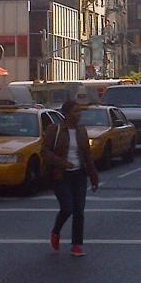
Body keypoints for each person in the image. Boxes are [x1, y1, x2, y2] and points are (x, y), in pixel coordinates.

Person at [42, 100, 99, 257]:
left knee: (79, 210)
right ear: (67, 114)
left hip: (79, 174)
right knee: (67, 208)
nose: (79, 114)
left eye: (80, 111)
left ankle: (76, 245)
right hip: (61, 175)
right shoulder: (55, 129)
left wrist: (94, 177)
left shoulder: (81, 131)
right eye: (75, 111)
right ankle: (56, 231)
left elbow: (87, 155)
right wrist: (62, 163)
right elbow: (45, 151)